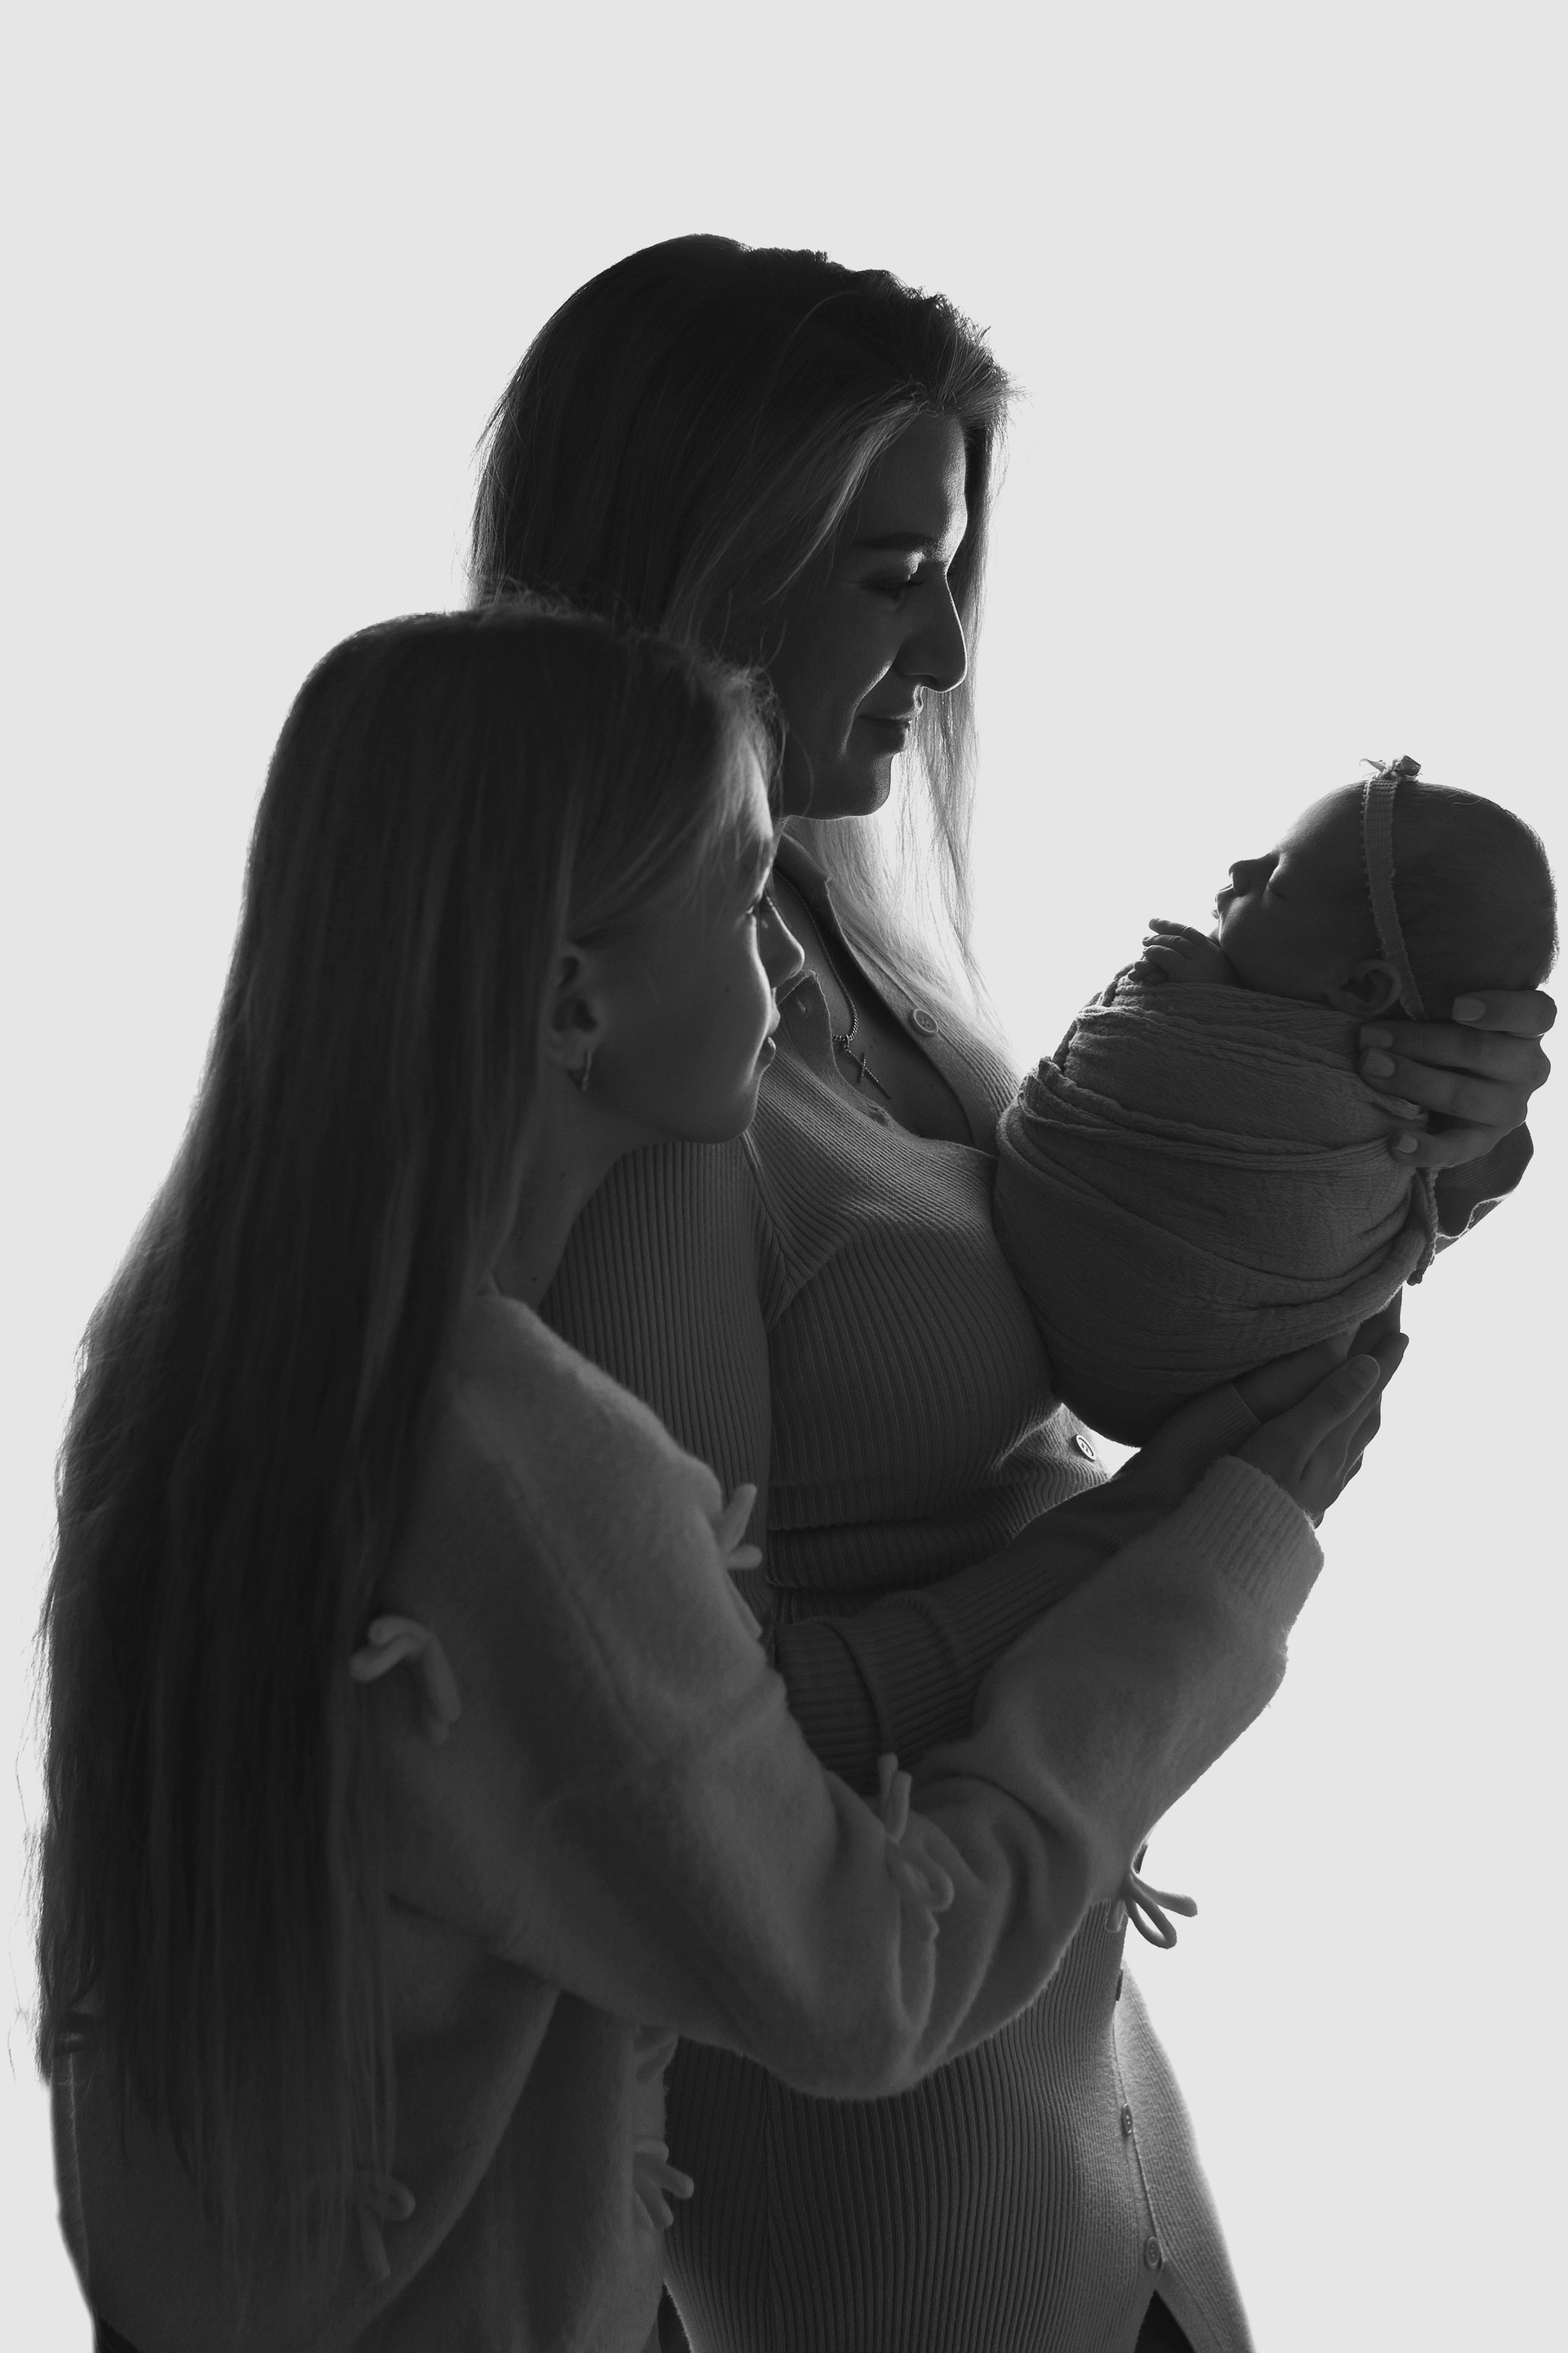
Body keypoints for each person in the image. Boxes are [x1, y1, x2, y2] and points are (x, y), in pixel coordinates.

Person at [34, 601, 1379, 2353]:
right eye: (747, 903)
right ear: (573, 1000)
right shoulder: (522, 1467)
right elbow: (866, 1980)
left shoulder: (196, 1371)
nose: (793, 975)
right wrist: (1216, 1571)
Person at [470, 238, 1557, 2353]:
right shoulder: (631, 1079)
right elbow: (694, 1757)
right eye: (893, 574)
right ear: (695, 571)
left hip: (1080, 2116)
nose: (953, 648)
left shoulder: (822, 939)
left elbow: (1123, 1310)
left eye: (956, 567)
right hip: (878, 2206)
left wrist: (1402, 1149)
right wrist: (1193, 1540)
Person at [997, 757, 1557, 1441]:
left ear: (1360, 988)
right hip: (1206, 1409)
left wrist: (1189, 999)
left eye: (1276, 880)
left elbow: (1189, 1093)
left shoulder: (1383, 1101)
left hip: (1190, 1364)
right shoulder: (1381, 1096)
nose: (1239, 869)